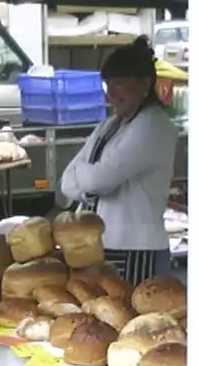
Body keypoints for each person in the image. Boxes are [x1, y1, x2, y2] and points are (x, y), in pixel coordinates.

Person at [59, 37, 179, 283]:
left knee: (134, 317)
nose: (110, 93)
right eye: (107, 84)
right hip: (102, 246)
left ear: (144, 84)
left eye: (118, 83)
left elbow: (99, 181)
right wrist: (89, 175)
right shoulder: (111, 124)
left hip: (137, 249)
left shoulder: (153, 126)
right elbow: (66, 184)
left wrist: (84, 172)